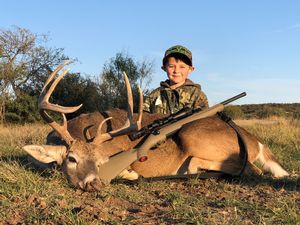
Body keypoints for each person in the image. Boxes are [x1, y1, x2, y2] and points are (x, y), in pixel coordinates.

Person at [143, 45, 209, 115]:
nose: (176, 71)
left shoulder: (197, 95)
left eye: (182, 67)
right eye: (171, 66)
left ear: (190, 69)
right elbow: (144, 118)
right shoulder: (154, 95)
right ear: (164, 68)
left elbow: (205, 121)